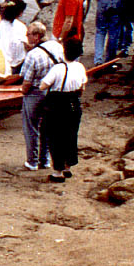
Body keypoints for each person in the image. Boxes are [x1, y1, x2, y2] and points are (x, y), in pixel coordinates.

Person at [37, 38, 87, 182]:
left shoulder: (58, 68)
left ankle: (57, 172)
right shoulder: (80, 67)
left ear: (64, 51)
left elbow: (43, 86)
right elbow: (82, 87)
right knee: (71, 136)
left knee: (55, 137)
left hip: (57, 105)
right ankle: (67, 167)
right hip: (74, 104)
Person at [17, 20, 63, 171]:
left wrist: (21, 91)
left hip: (36, 93)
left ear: (36, 36)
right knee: (48, 127)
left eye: (28, 34)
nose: (27, 37)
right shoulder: (56, 46)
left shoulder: (33, 55)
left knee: (31, 128)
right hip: (54, 92)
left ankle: (32, 161)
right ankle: (45, 160)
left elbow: (27, 83)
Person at [0, 0, 29, 79]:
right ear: (20, 14)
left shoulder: (3, 23)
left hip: (5, 58)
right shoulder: (21, 27)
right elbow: (25, 46)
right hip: (16, 63)